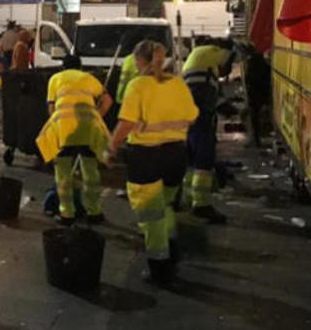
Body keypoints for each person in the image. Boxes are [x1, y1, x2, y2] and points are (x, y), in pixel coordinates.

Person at [108, 41, 198, 285]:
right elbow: (191, 117)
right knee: (165, 204)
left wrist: (112, 147)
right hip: (176, 155)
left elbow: (126, 123)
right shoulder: (178, 84)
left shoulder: (137, 86)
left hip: (146, 157)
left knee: (150, 214)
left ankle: (159, 266)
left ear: (140, 61)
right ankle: (172, 247)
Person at [36, 55, 112, 225]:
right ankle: (94, 212)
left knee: (63, 174)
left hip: (65, 130)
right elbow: (107, 101)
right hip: (87, 129)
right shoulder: (88, 78)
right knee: (90, 172)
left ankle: (67, 214)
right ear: (80, 68)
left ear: (63, 68)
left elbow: (51, 108)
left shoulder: (55, 79)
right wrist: (96, 116)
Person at [182, 38, 235, 223]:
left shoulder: (199, 56)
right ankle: (201, 204)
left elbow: (214, 88)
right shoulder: (217, 52)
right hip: (200, 112)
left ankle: (188, 198)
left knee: (192, 157)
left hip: (189, 113)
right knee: (204, 157)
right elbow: (229, 61)